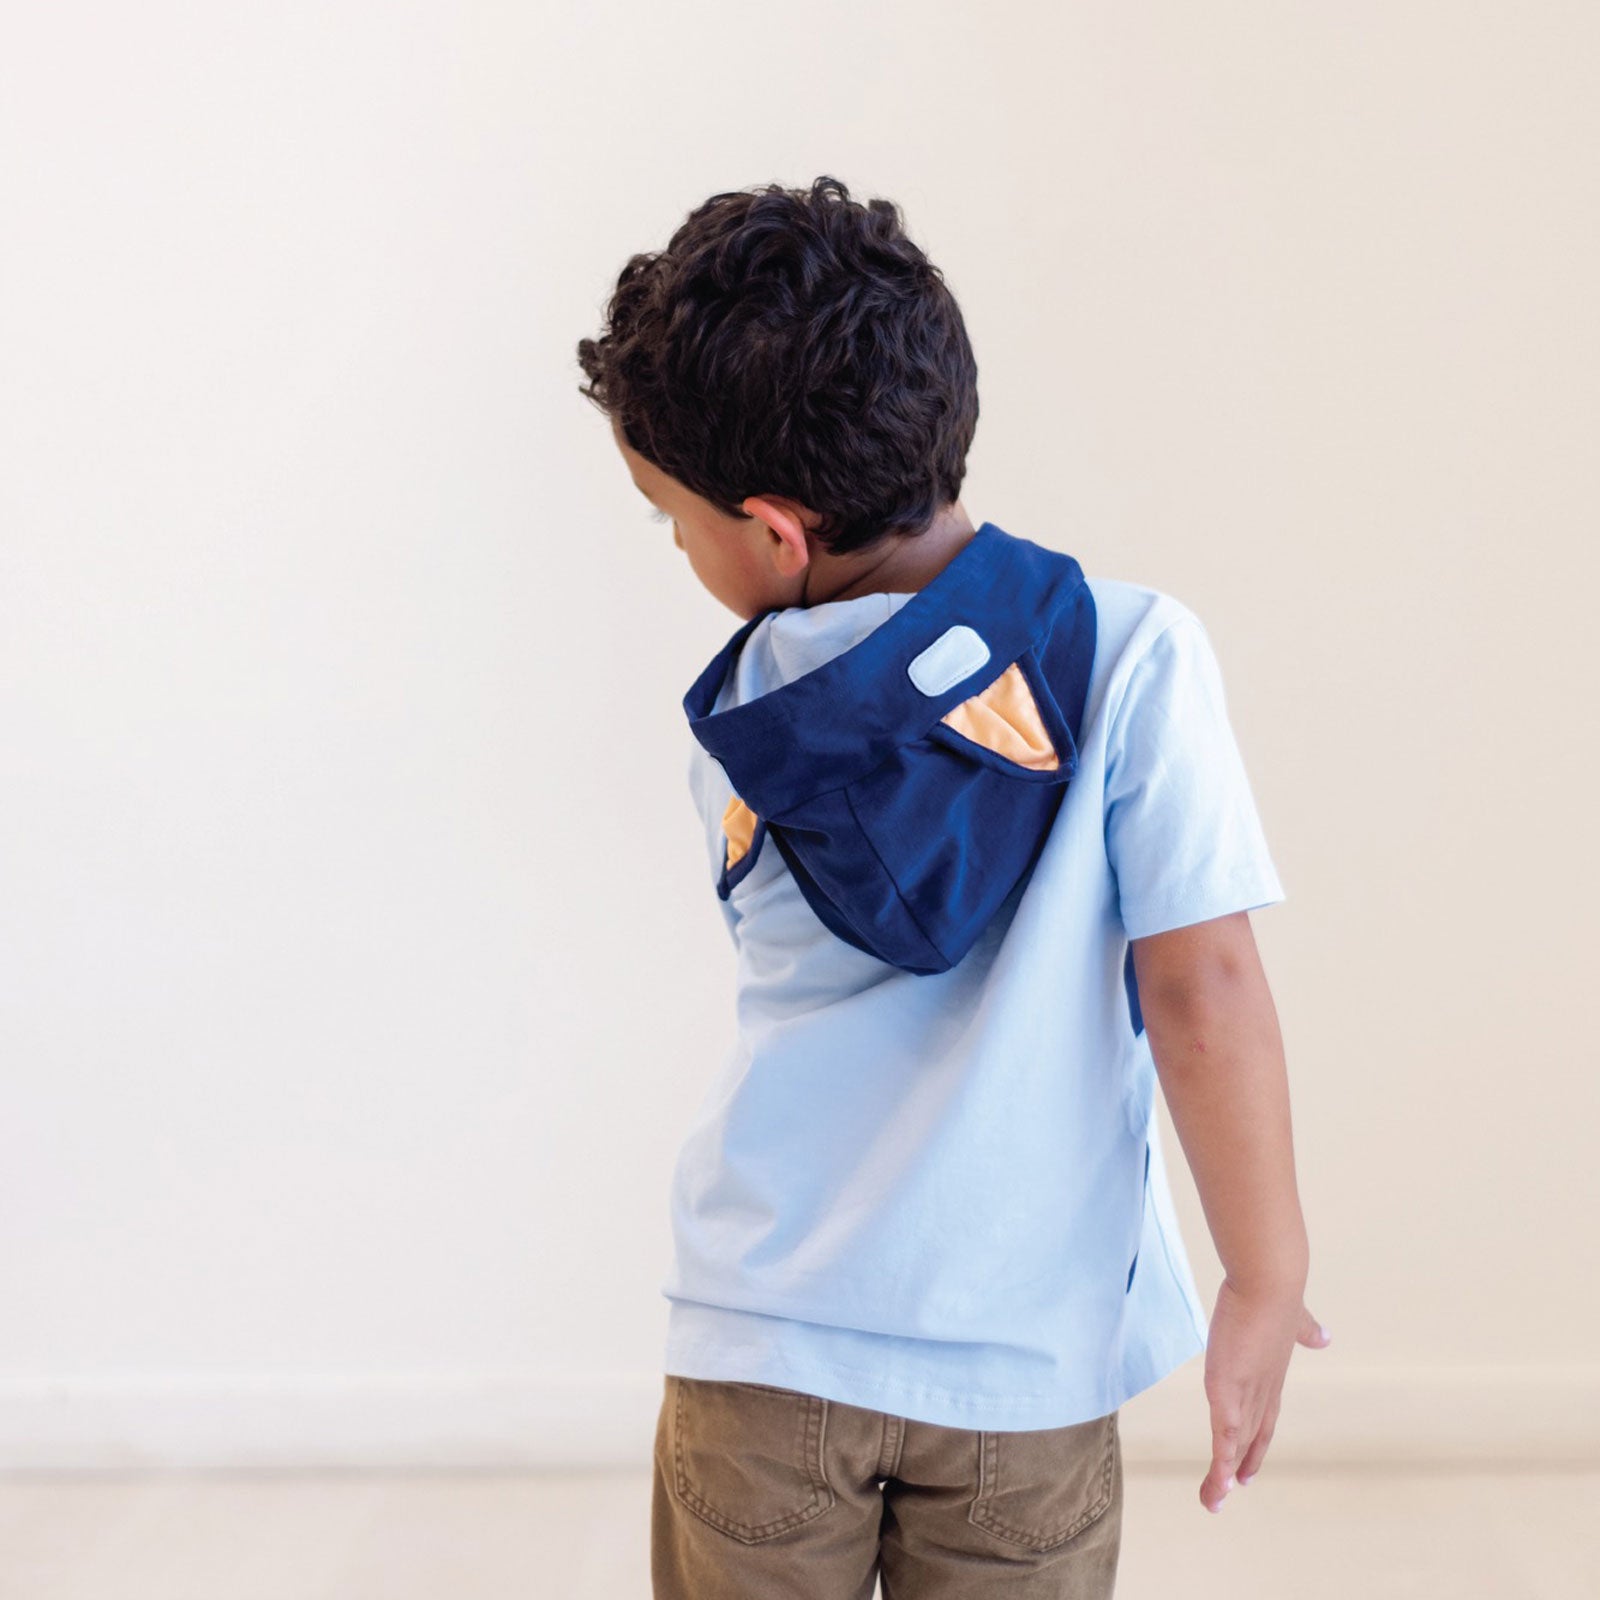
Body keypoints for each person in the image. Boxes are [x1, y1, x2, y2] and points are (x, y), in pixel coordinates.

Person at [575, 174, 1330, 1600]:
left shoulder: (747, 722)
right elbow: (1205, 987)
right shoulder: (1134, 653)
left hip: (765, 1342)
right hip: (1020, 1368)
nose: (677, 549)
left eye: (671, 518)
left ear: (777, 534)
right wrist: (1263, 1270)